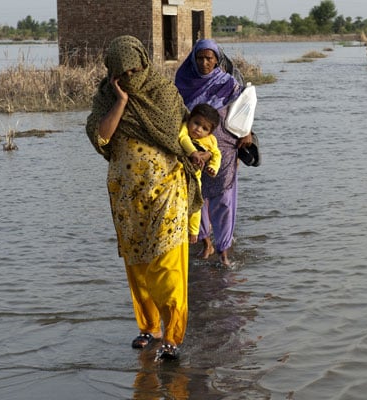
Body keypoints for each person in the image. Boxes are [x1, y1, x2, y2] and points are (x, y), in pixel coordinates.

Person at [85, 35, 203, 361]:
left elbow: (180, 134)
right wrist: (121, 101)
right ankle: (149, 327)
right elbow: (102, 136)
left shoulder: (163, 93)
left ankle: (173, 336)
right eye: (122, 74)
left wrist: (197, 155)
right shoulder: (106, 99)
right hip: (127, 201)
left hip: (167, 193)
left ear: (144, 63)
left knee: (166, 266)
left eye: (135, 69)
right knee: (138, 267)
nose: (130, 77)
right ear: (112, 73)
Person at [175, 39, 254, 267]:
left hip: (225, 150)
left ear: (217, 60)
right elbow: (176, 116)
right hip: (193, 150)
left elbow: (243, 112)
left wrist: (247, 132)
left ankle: (224, 250)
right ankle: (205, 242)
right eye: (200, 58)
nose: (204, 62)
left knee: (224, 200)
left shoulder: (227, 83)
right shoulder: (182, 81)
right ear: (193, 58)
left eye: (209, 58)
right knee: (195, 196)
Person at [178, 103, 222, 245]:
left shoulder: (210, 140)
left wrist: (213, 168)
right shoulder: (184, 127)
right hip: (178, 173)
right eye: (196, 123)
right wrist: (193, 153)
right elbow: (182, 139)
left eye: (204, 128)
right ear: (190, 119)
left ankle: (194, 232)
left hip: (196, 176)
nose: (198, 129)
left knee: (196, 204)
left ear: (210, 132)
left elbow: (216, 154)